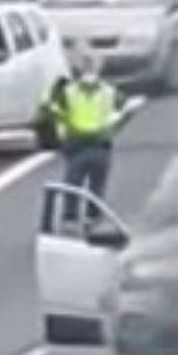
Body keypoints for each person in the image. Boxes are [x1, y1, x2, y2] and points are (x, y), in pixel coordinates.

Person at [49, 52, 123, 227]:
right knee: (80, 185)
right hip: (84, 145)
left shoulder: (72, 91)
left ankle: (79, 219)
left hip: (93, 145)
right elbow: (56, 111)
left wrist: (62, 136)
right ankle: (81, 219)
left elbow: (54, 111)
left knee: (81, 185)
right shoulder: (106, 92)